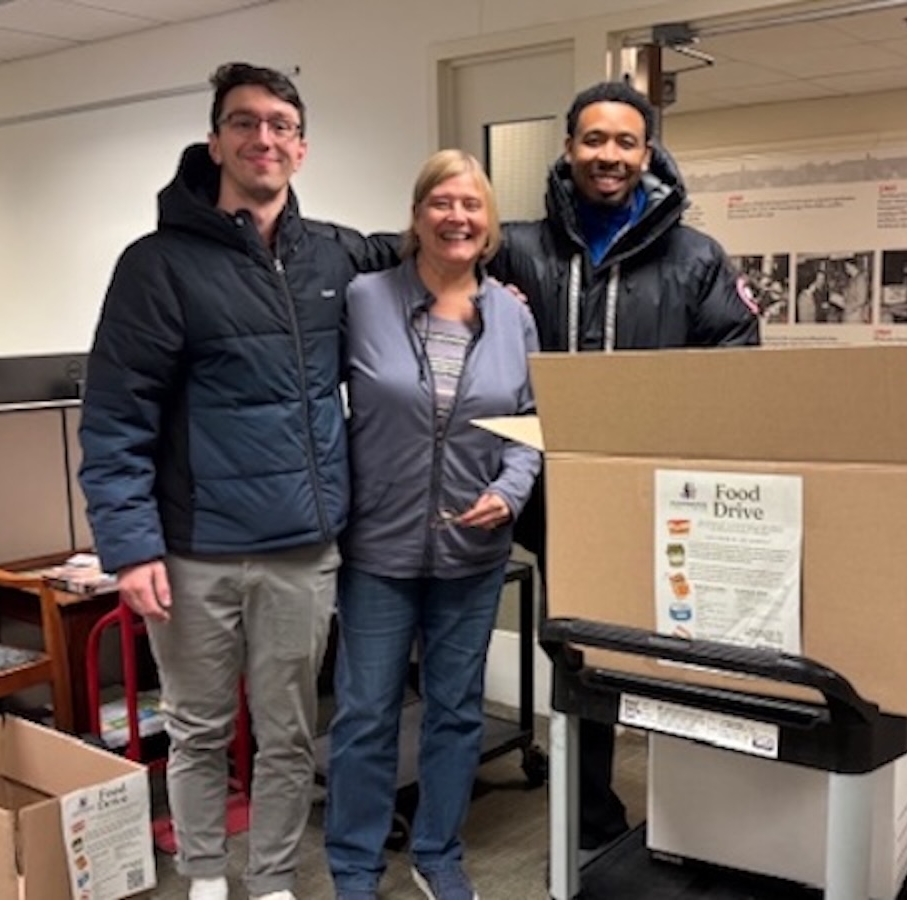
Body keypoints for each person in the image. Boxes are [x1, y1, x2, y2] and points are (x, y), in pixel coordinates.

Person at [78, 62, 375, 900]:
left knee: (288, 735)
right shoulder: (157, 264)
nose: (263, 138)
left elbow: (425, 250)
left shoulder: (335, 252)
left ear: (302, 148)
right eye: (245, 123)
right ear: (216, 142)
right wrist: (131, 547)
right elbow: (114, 417)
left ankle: (273, 877)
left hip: (301, 550)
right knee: (200, 730)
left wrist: (482, 277)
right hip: (195, 552)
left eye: (280, 124)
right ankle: (206, 875)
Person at [489, 79, 761, 850]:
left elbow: (736, 367)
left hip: (661, 496)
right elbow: (435, 277)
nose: (608, 156)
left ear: (648, 154)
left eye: (624, 142)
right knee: (576, 654)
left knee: (674, 651)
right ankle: (589, 818)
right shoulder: (518, 248)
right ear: (569, 147)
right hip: (557, 498)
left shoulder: (697, 257)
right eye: (593, 140)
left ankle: (696, 817)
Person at [324, 149, 541, 900]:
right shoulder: (362, 300)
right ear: (416, 217)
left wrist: (511, 494)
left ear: (489, 225)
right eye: (442, 203)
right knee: (366, 714)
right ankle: (353, 864)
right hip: (377, 547)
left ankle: (438, 852)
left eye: (472, 205)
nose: (458, 217)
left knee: (455, 711)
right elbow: (321, 409)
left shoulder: (513, 315)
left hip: (474, 549)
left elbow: (533, 425)